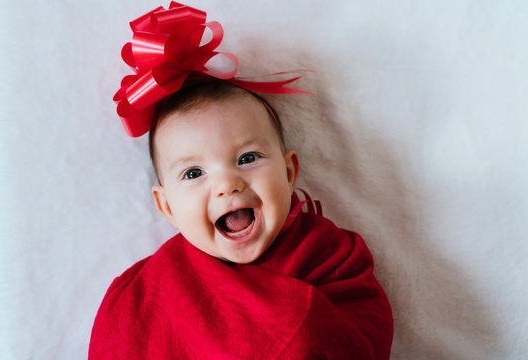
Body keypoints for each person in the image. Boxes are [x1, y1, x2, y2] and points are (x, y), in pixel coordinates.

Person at [89, 2, 393, 359]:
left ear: (289, 172)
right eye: (193, 173)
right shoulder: (147, 293)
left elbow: (362, 332)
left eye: (247, 159)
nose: (227, 184)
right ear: (167, 206)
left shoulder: (332, 257)